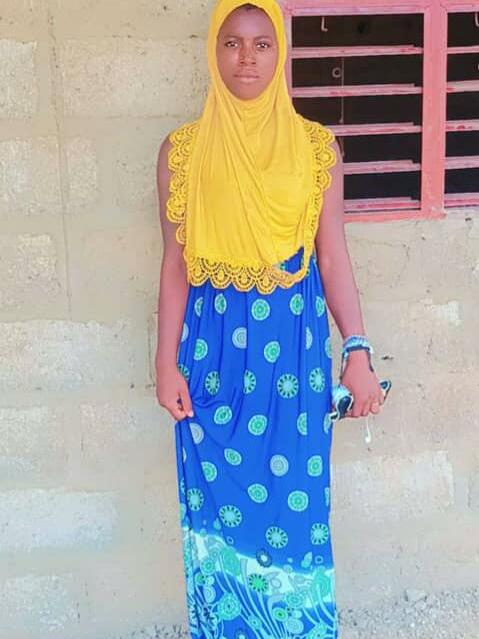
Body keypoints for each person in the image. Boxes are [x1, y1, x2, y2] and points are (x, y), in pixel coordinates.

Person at [155, 1, 385, 637]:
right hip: (212, 355)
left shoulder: (315, 148)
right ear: (213, 51)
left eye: (262, 43)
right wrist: (164, 361)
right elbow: (175, 264)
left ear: (281, 52)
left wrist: (358, 351)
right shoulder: (181, 152)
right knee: (217, 508)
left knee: (296, 507)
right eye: (232, 43)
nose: (247, 58)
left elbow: (332, 256)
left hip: (293, 354)